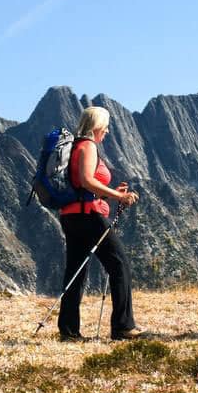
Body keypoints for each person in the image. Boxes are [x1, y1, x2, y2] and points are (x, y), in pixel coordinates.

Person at [56, 106, 141, 341]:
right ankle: (123, 326)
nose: (107, 131)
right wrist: (118, 197)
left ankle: (69, 331)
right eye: (106, 127)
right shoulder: (88, 145)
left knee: (75, 271)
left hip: (71, 215)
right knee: (119, 264)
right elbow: (87, 180)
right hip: (88, 216)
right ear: (97, 127)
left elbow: (82, 186)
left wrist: (109, 193)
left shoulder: (73, 146)